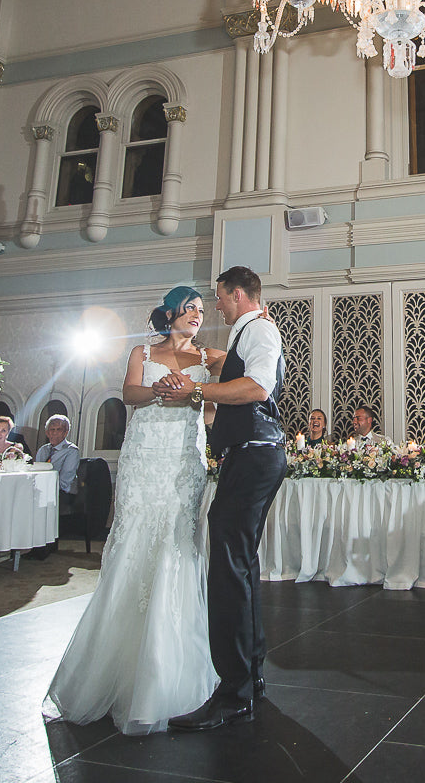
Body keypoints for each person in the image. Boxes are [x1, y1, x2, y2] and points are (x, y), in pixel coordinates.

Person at [45, 284, 223, 735]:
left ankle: (171, 673)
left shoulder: (208, 360)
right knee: (137, 543)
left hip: (185, 461)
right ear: (170, 313)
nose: (197, 315)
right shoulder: (142, 352)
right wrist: (160, 390)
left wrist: (199, 398)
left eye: (202, 310)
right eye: (189, 308)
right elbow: (128, 395)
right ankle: (112, 671)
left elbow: (212, 414)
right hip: (146, 457)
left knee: (175, 545)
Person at [162, 266, 285, 732]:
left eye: (219, 298)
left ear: (237, 294)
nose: (215, 306)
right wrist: (216, 362)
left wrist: (196, 387)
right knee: (241, 566)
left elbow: (257, 387)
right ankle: (248, 679)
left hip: (254, 455)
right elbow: (240, 372)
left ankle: (233, 689)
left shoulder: (260, 329)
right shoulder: (248, 333)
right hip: (251, 455)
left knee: (229, 570)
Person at [33, 415, 80, 509]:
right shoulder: (43, 450)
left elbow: (65, 480)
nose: (54, 433)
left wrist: (46, 490)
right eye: (52, 429)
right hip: (43, 490)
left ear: (65, 433)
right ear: (47, 432)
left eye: (58, 429)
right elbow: (37, 473)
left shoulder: (71, 451)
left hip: (63, 493)